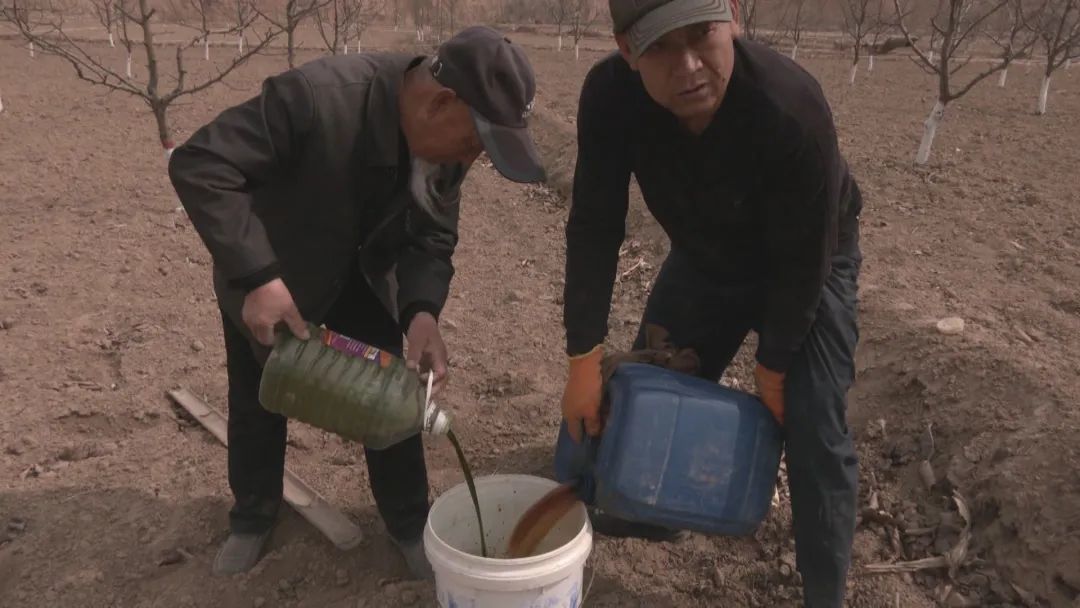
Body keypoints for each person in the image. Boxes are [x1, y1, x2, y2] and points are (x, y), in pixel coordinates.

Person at [168, 26, 545, 579]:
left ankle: (410, 523)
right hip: (273, 281)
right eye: (474, 144)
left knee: (393, 403)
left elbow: (432, 237)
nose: (473, 159)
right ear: (441, 102)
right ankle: (252, 517)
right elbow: (201, 164)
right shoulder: (318, 99)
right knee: (256, 403)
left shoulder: (446, 150)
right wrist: (257, 275)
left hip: (362, 280)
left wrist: (421, 311)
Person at [558, 1, 864, 606]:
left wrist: (774, 365)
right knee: (644, 389)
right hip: (705, 258)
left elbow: (807, 257)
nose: (690, 66)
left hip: (809, 264)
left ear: (732, 22)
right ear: (626, 50)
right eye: (662, 49)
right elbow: (595, 224)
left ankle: (824, 594)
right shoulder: (610, 98)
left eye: (703, 37)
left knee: (815, 426)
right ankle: (656, 510)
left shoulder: (789, 106)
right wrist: (582, 358)